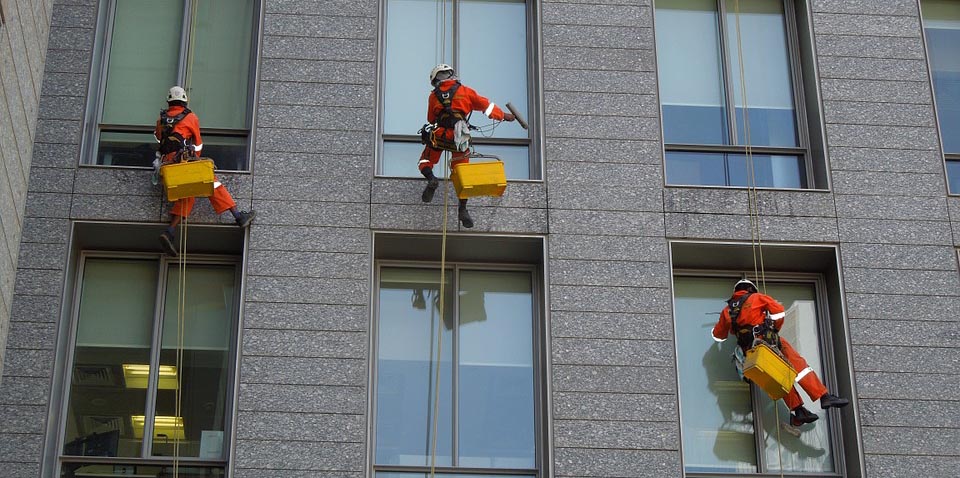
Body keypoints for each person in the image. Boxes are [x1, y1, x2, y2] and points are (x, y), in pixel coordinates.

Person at [712, 279, 849, 426]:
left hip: (750, 352)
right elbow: (778, 312)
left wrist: (714, 331)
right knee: (800, 367)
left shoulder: (728, 311)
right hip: (768, 341)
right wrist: (773, 328)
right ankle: (823, 396)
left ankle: (798, 411)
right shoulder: (757, 297)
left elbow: (719, 335)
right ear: (751, 289)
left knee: (779, 377)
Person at [155, 86, 255, 256]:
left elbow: (158, 138)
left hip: (167, 166)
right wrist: (195, 157)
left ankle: (170, 232)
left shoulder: (161, 119)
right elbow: (198, 144)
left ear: (169, 101)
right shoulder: (190, 117)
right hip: (183, 162)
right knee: (212, 183)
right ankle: (238, 216)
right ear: (185, 100)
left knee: (189, 195)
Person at [418, 64, 516, 228]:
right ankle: (463, 209)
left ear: (435, 80)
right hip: (459, 138)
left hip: (440, 135)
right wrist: (505, 116)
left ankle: (432, 179)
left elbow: (430, 119)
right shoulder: (466, 91)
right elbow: (487, 107)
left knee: (424, 161)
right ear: (452, 75)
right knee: (462, 174)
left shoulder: (433, 96)